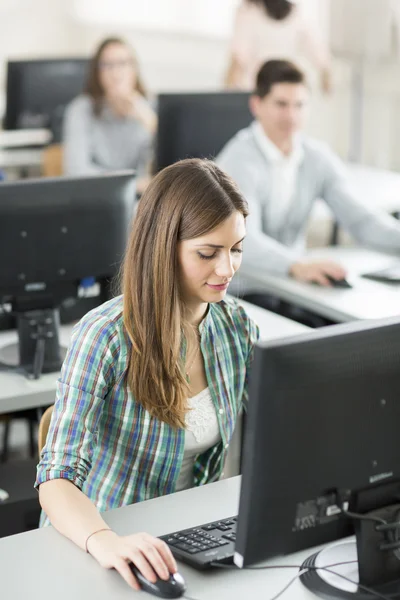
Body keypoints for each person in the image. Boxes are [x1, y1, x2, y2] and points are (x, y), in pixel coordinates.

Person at [35, 159, 259, 590]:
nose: (227, 269)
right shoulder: (104, 336)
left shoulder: (236, 327)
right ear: (163, 247)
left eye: (236, 249)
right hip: (100, 542)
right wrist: (105, 541)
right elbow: (56, 477)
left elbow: (278, 433)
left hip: (188, 538)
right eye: (207, 253)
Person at [216, 60, 400, 310]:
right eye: (281, 104)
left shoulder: (316, 157)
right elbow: (244, 241)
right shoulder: (238, 160)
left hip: (298, 284)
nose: (291, 116)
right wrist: (297, 265)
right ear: (256, 105)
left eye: (299, 105)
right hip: (248, 289)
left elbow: (361, 220)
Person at [63, 37, 157, 194]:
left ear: (134, 69)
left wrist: (151, 123)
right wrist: (133, 184)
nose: (116, 72)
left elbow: (165, 169)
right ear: (97, 72)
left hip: (141, 201)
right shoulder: (80, 110)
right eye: (107, 65)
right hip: (94, 196)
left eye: (123, 63)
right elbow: (76, 171)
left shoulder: (149, 108)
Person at [225, 0, 332, 93]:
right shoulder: (248, 11)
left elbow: (238, 59)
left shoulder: (247, 11)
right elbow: (238, 60)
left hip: (279, 90)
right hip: (266, 89)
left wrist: (325, 73)